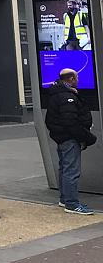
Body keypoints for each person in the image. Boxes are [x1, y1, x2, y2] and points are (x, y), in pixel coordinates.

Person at [44, 68, 96, 214]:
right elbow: (70, 121)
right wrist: (86, 137)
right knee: (71, 171)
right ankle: (72, 204)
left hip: (61, 137)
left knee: (64, 169)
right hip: (69, 138)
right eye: (77, 77)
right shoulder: (67, 97)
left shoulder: (56, 94)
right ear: (71, 79)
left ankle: (64, 199)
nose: (78, 80)